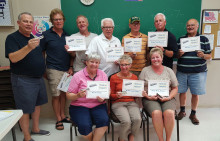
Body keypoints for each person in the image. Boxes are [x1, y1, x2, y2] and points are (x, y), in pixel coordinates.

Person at [5, 12, 50, 141]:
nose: (29, 24)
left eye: (31, 22)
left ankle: (35, 129)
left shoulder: (35, 38)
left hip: (38, 78)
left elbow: (38, 57)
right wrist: (28, 47)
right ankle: (26, 137)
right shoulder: (12, 38)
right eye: (25, 21)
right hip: (23, 79)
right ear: (19, 23)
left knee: (37, 104)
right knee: (24, 110)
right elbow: (13, 58)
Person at [40, 8, 73, 130]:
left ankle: (63, 115)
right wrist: (43, 69)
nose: (58, 21)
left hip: (66, 69)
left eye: (60, 19)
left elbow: (71, 54)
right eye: (55, 20)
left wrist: (70, 67)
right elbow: (41, 53)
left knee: (64, 94)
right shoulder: (46, 35)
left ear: (63, 20)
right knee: (56, 95)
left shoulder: (67, 35)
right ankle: (58, 119)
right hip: (53, 68)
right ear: (52, 21)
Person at [176, 19, 211, 125]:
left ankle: (193, 113)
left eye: (192, 25)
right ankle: (182, 111)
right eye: (188, 25)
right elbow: (176, 56)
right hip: (182, 71)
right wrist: (179, 54)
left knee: (195, 94)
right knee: (182, 92)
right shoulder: (181, 39)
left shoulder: (204, 39)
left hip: (198, 72)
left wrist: (203, 55)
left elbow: (209, 56)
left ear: (197, 26)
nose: (190, 27)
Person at [66, 53, 109, 141]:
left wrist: (104, 97)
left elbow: (108, 90)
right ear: (86, 62)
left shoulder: (103, 74)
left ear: (99, 64)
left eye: (97, 62)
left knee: (104, 121)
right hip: (79, 106)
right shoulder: (77, 76)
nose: (94, 64)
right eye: (91, 62)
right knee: (84, 126)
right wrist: (78, 95)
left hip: (98, 104)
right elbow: (68, 95)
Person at [139, 48, 178, 141]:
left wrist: (168, 97)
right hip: (150, 98)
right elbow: (139, 87)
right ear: (150, 59)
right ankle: (161, 139)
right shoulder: (145, 70)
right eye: (153, 58)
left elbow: (175, 88)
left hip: (167, 97)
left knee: (169, 113)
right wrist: (147, 96)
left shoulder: (169, 71)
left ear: (162, 58)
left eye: (157, 57)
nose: (155, 59)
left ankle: (168, 139)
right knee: (157, 113)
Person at [110, 54, 142, 141]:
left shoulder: (134, 77)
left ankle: (131, 136)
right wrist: (116, 95)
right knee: (126, 122)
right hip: (118, 103)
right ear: (119, 65)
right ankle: (122, 138)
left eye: (126, 64)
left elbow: (135, 95)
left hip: (131, 103)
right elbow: (110, 95)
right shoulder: (114, 77)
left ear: (130, 65)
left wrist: (140, 93)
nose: (124, 67)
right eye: (122, 65)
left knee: (137, 119)